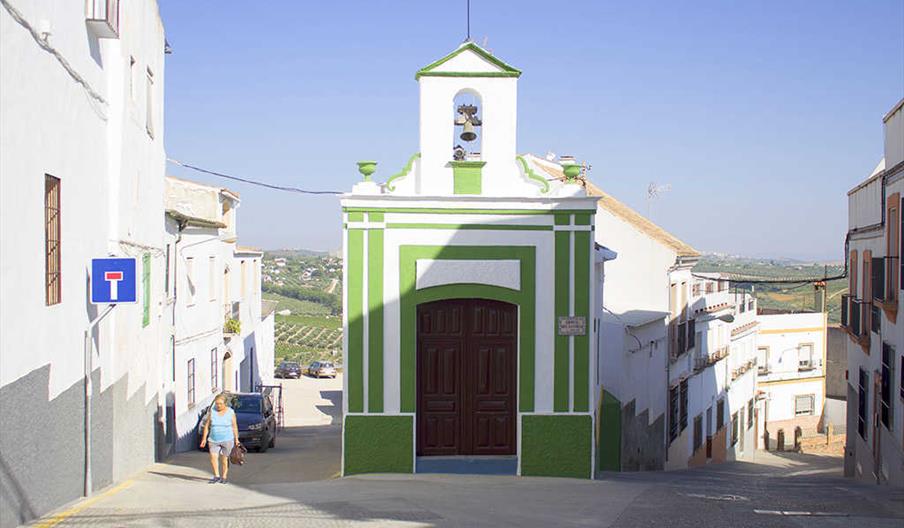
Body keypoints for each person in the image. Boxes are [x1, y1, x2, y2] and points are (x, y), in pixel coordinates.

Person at [200, 394, 239, 484]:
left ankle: (224, 476)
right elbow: (207, 426)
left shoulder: (230, 412)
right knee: (213, 457)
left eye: (220, 404)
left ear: (225, 404)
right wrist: (204, 439)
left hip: (227, 439)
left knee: (224, 459)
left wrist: (236, 439)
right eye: (217, 404)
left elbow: (234, 426)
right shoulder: (212, 412)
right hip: (213, 439)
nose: (218, 405)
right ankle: (216, 476)